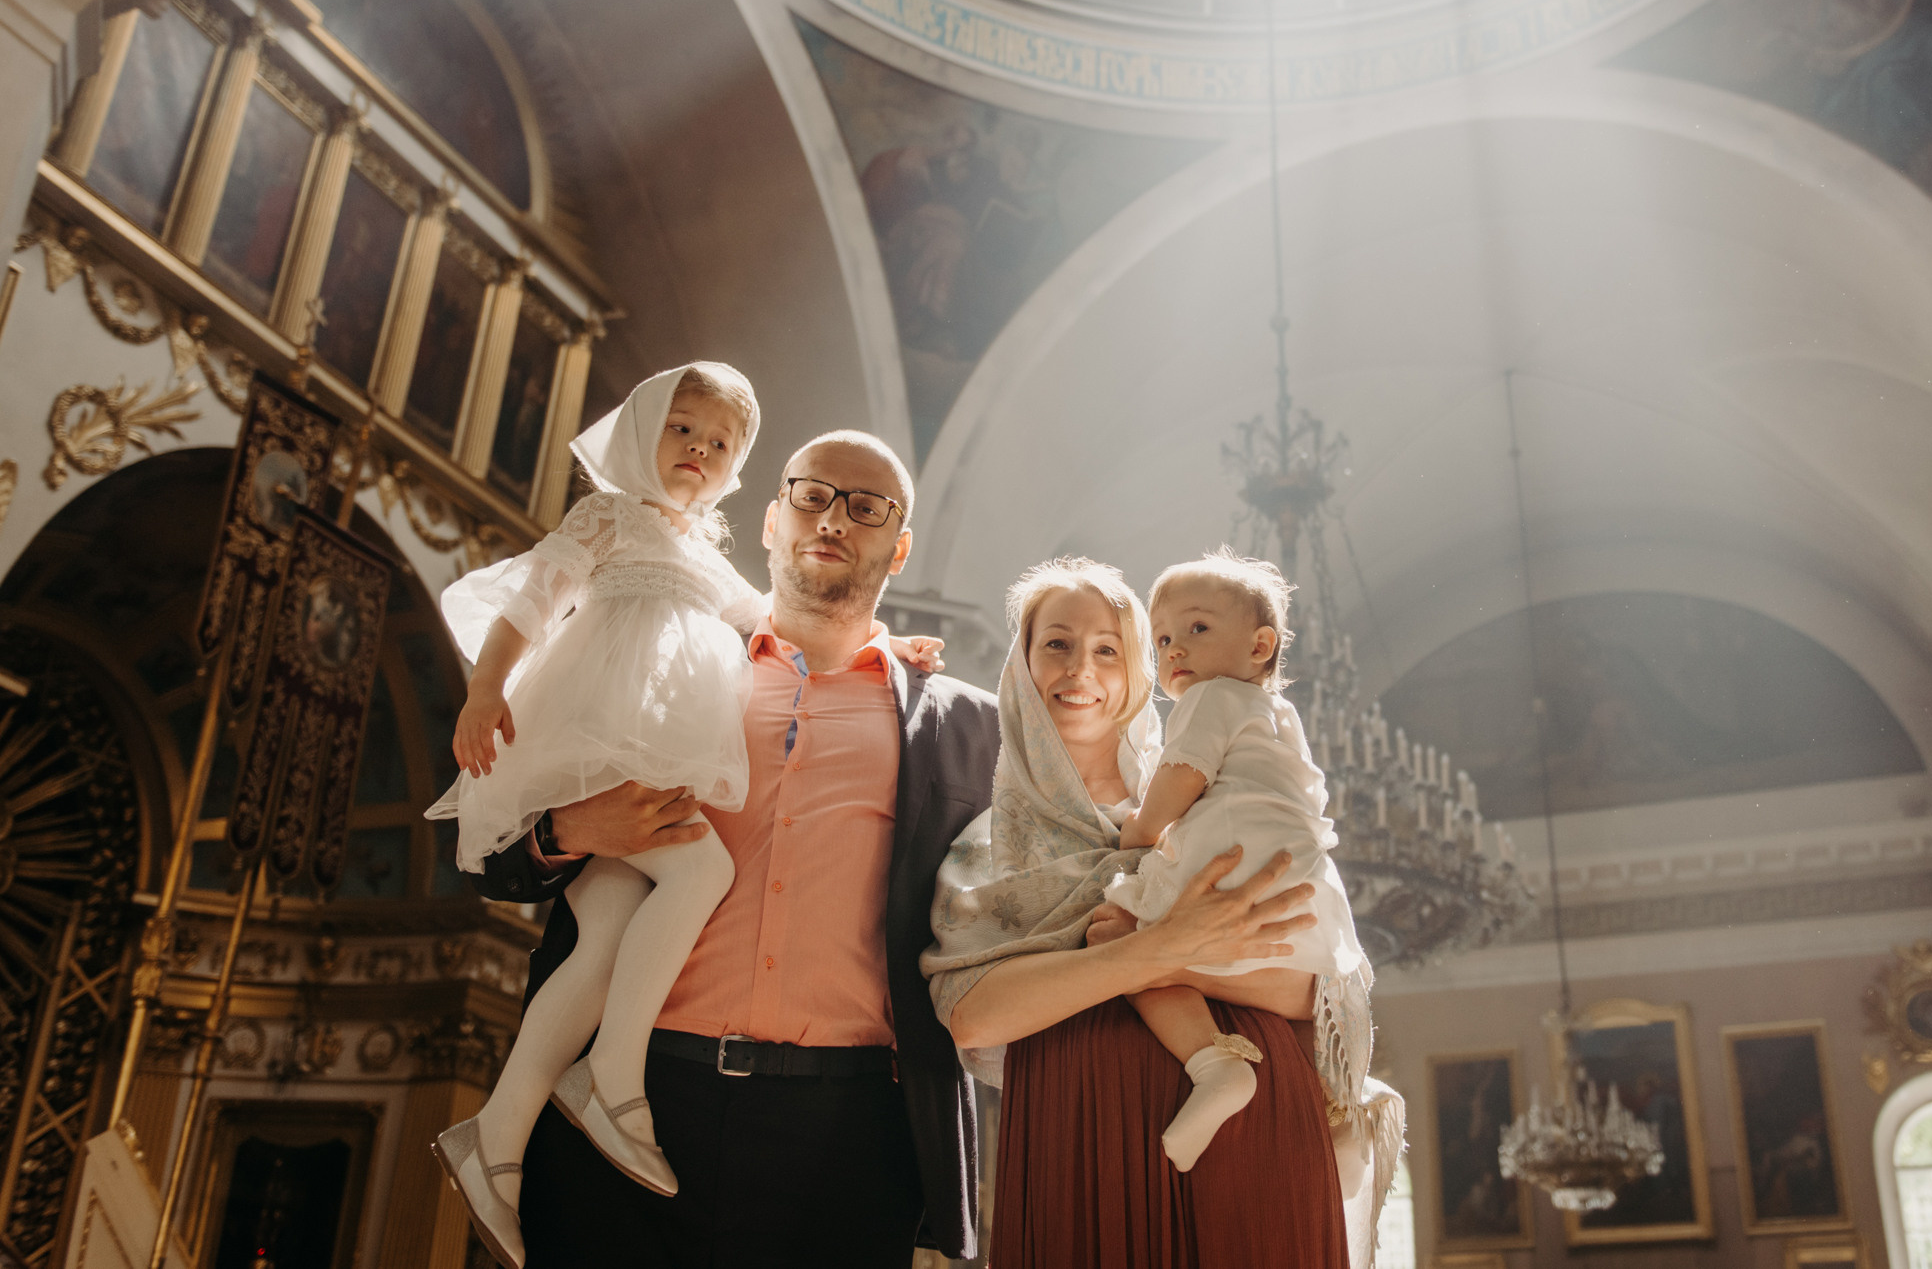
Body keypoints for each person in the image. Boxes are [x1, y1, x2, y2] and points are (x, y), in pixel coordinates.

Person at [462, 428, 992, 1267]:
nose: (833, 519)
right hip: (628, 1098)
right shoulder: (656, 666)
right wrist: (573, 831)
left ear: (899, 549)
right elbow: (492, 850)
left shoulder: (968, 727)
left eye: (867, 507)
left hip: (845, 1134)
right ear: (772, 520)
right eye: (812, 494)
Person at [426, 363, 768, 1267]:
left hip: (656, 743)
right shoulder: (610, 514)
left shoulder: (705, 551)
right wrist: (484, 690)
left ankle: (494, 1142)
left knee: (605, 945)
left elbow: (776, 623)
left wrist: (889, 641)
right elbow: (534, 600)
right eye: (682, 429)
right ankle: (612, 1073)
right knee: (705, 870)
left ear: (736, 465)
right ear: (644, 430)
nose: (698, 451)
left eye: (719, 442)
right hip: (601, 738)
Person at [923, 557, 1351, 1268]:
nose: (1079, 669)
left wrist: (1171, 956)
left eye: (1108, 650)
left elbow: (1314, 988)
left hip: (1256, 1119)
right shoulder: (986, 846)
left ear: (1139, 676)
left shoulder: (1220, 815)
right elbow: (974, 1016)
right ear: (1019, 668)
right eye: (1055, 643)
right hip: (1080, 1130)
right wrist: (1153, 953)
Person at [1105, 549, 1373, 1173]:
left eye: (1197, 629)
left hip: (1227, 871)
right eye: (1164, 637)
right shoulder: (1281, 715)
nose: (1174, 651)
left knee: (1125, 951)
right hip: (1305, 898)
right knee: (1298, 1016)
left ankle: (1215, 1067)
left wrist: (1139, 831)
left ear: (1260, 646)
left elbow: (1180, 779)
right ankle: (1340, 1110)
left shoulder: (1209, 699)